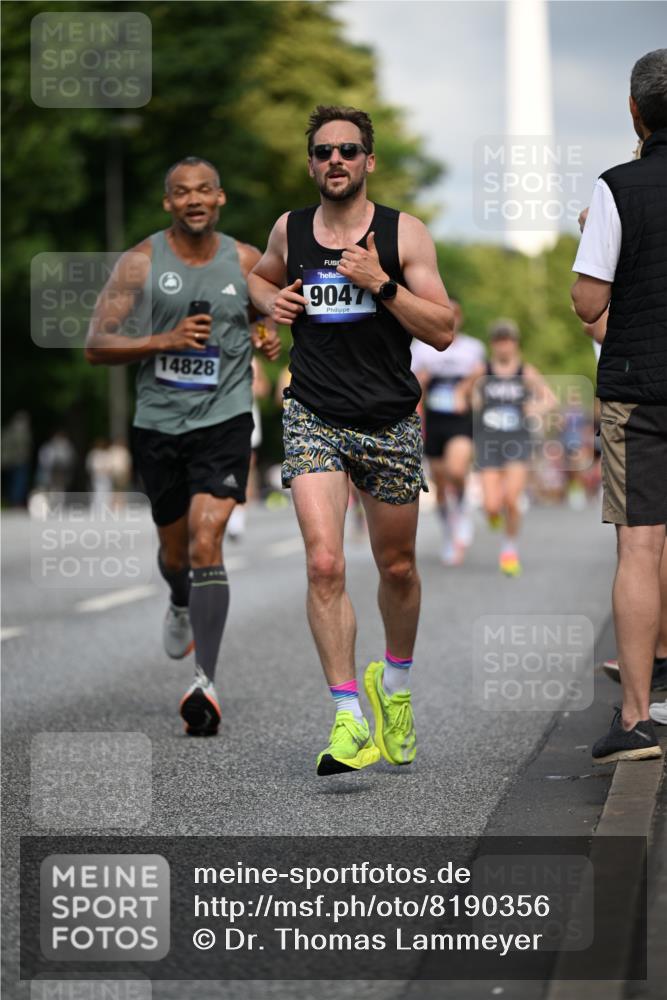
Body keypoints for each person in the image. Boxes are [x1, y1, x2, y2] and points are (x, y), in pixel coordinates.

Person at [248, 105, 454, 775]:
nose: (334, 160)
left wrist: (380, 283)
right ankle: (345, 717)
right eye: (323, 151)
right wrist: (269, 302)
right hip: (312, 411)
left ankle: (392, 689)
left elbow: (443, 329)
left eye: (347, 150)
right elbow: (258, 273)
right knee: (325, 565)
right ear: (311, 164)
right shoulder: (291, 228)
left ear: (368, 161)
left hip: (389, 420)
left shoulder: (404, 233)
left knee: (396, 567)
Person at [85, 156, 280, 736]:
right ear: (168, 203)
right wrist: (163, 340)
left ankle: (205, 681)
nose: (193, 199)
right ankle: (177, 599)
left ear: (219, 199)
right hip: (160, 423)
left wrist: (266, 332)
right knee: (175, 553)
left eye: (204, 190)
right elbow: (97, 344)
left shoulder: (245, 259)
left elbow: (266, 312)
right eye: (181, 192)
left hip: (223, 419)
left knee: (205, 538)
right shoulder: (141, 263)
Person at [571, 48, 667, 764]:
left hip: (638, 392)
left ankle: (636, 718)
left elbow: (586, 303)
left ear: (633, 113)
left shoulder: (616, 188)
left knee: (641, 545)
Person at [455, 320, 556, 577]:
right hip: (488, 441)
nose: (503, 345)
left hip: (517, 440)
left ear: (515, 343)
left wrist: (536, 408)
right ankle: (493, 516)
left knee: (511, 499)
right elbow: (462, 391)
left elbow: (550, 399)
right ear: (493, 344)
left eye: (508, 340)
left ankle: (509, 550)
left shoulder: (525, 372)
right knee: (491, 505)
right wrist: (466, 402)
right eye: (499, 340)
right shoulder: (483, 369)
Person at [411, 297, 485, 565]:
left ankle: (464, 511)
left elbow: (481, 375)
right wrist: (423, 380)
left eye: (455, 313)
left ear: (460, 317)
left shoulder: (473, 348)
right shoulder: (421, 348)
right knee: (440, 485)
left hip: (461, 419)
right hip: (434, 420)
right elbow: (413, 385)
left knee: (456, 470)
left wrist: (465, 386)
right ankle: (448, 534)